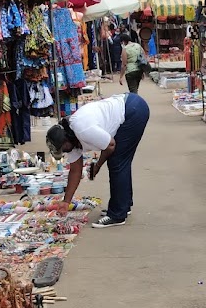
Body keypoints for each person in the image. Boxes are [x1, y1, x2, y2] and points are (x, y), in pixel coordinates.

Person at [45, 92, 150, 228]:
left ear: (66, 138)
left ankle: (117, 215)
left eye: (63, 148)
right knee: (120, 162)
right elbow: (75, 172)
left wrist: (98, 165)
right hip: (128, 107)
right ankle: (123, 205)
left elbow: (110, 145)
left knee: (116, 162)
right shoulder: (70, 142)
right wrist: (66, 202)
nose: (65, 151)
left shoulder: (82, 129)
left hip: (133, 110)